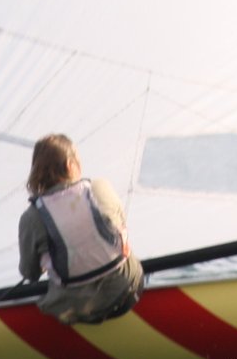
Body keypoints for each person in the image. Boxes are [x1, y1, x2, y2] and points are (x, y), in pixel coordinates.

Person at [18, 134, 144, 325]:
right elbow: (120, 225)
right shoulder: (99, 188)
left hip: (74, 310)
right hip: (128, 290)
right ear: (70, 165)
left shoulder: (31, 218)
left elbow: (30, 274)